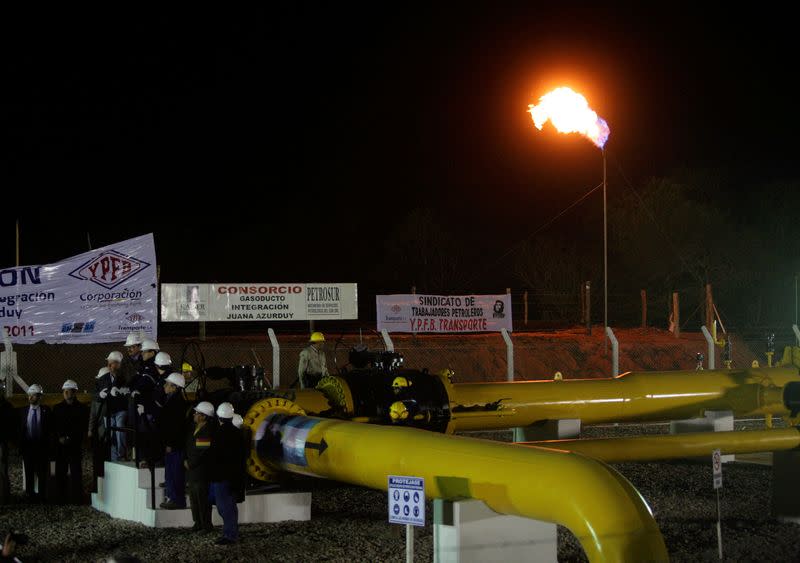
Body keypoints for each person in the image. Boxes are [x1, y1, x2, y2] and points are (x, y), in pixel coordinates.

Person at [209, 402, 245, 545]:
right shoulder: (237, 433)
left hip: (222, 476)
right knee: (230, 506)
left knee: (225, 507)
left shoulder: (219, 434)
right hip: (233, 476)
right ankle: (231, 532)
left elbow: (216, 457)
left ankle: (230, 535)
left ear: (219, 417)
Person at [53, 379, 89, 504]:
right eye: (66, 391)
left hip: (74, 445)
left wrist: (68, 438)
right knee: (61, 472)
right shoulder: (57, 409)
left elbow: (82, 427)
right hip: (62, 446)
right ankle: (61, 498)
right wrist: (60, 437)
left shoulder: (82, 409)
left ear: (75, 392)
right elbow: (54, 426)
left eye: (70, 391)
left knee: (76, 473)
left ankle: (76, 498)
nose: (67, 393)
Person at [156, 372, 187, 509]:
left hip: (174, 445)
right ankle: (172, 498)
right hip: (174, 444)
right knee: (172, 472)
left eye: (168, 384)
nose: (165, 386)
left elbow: (175, 427)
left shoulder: (176, 403)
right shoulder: (175, 401)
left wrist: (170, 443)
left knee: (174, 472)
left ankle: (176, 499)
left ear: (175, 387)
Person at [17, 383, 52, 503]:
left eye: (33, 395)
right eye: (29, 395)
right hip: (28, 447)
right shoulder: (23, 411)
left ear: (39, 397)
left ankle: (42, 496)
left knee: (42, 473)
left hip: (42, 447)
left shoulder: (46, 411)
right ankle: (30, 495)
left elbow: (49, 429)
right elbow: (20, 429)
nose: (30, 397)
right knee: (29, 472)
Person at [184, 401, 215, 533]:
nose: (194, 415)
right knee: (194, 497)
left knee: (202, 499)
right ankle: (197, 522)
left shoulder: (206, 431)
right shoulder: (194, 428)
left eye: (197, 413)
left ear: (204, 416)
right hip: (193, 470)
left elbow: (202, 452)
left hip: (201, 471)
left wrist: (190, 463)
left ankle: (206, 525)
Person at [97, 351, 131, 461]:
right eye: (109, 363)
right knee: (111, 434)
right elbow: (97, 392)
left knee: (119, 428)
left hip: (120, 409)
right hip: (109, 410)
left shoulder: (124, 377)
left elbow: (127, 390)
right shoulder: (104, 378)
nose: (110, 365)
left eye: (112, 363)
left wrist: (120, 391)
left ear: (119, 364)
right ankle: (114, 457)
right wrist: (100, 394)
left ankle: (121, 454)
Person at [88, 366, 112, 490]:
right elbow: (93, 413)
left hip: (105, 432)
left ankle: (101, 485)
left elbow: (94, 414)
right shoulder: (98, 394)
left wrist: (90, 429)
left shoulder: (105, 394)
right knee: (99, 459)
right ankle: (98, 485)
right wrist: (90, 430)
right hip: (101, 432)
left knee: (104, 459)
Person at [0, 392, 15, 504]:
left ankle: (4, 497)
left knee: (2, 469)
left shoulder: (6, 407)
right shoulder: (7, 406)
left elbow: (10, 425)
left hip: (1, 441)